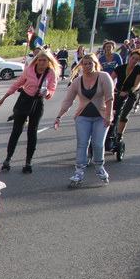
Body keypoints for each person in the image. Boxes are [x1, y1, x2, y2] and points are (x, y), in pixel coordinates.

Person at [53, 54, 115, 185]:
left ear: (95, 64)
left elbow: (109, 98)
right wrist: (59, 116)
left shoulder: (104, 77)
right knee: (82, 144)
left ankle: (99, 166)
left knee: (98, 144)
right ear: (81, 66)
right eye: (85, 64)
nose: (87, 66)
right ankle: (79, 171)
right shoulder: (77, 81)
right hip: (83, 117)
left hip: (100, 117)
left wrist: (109, 116)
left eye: (90, 63)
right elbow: (68, 100)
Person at [0, 50, 58, 173]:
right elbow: (17, 84)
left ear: (49, 61)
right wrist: (4, 98)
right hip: (24, 100)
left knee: (32, 131)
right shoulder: (29, 70)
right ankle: (8, 159)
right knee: (16, 131)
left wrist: (48, 93)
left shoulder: (51, 73)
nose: (41, 62)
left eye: (44, 60)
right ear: (36, 60)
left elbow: (52, 90)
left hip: (38, 102)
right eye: (39, 60)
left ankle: (28, 161)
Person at [107, 49, 140, 158]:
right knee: (113, 114)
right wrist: (108, 88)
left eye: (137, 59)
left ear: (139, 61)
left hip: (131, 94)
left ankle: (119, 136)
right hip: (118, 92)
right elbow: (111, 79)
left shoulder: (139, 70)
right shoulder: (120, 68)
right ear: (130, 57)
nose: (134, 61)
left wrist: (128, 92)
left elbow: (137, 85)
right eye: (133, 58)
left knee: (123, 116)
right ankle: (109, 134)